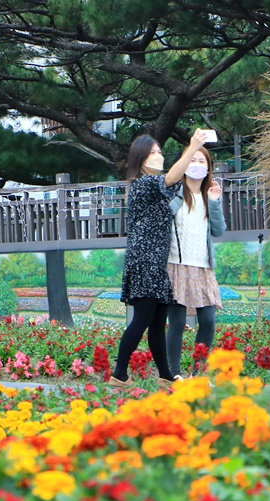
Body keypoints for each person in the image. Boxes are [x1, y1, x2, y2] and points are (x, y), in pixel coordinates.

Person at [110, 129, 211, 388]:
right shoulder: (143, 183)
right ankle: (119, 374)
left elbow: (181, 182)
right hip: (145, 261)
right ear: (141, 159)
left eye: (160, 152)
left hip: (156, 263)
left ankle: (165, 374)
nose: (159, 156)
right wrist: (193, 146)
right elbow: (172, 177)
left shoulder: (159, 187)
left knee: (157, 322)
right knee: (142, 320)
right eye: (153, 153)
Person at [165, 147, 227, 376]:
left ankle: (198, 373)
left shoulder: (209, 196)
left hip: (203, 268)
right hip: (175, 267)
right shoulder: (173, 194)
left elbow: (219, 231)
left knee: (208, 321)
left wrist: (214, 201)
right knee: (178, 322)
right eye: (193, 160)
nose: (198, 164)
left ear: (208, 167)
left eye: (202, 161)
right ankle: (173, 374)